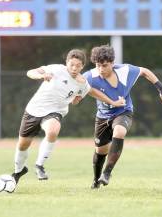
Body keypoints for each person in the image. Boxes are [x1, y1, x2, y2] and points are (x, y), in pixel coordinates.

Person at [11, 49, 125, 187]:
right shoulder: (56, 69)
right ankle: (19, 171)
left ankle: (39, 165)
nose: (74, 68)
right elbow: (30, 72)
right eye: (72, 64)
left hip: (55, 112)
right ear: (66, 63)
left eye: (78, 65)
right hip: (33, 110)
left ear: (82, 66)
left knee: (53, 130)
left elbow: (92, 92)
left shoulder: (82, 82)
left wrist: (112, 102)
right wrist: (41, 76)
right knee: (23, 145)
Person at [83, 45, 162, 189]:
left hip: (123, 111)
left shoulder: (125, 70)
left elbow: (144, 71)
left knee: (120, 131)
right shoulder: (90, 77)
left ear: (112, 63)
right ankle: (96, 179)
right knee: (101, 151)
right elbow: (77, 86)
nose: (101, 69)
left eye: (104, 66)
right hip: (103, 116)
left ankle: (107, 173)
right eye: (98, 65)